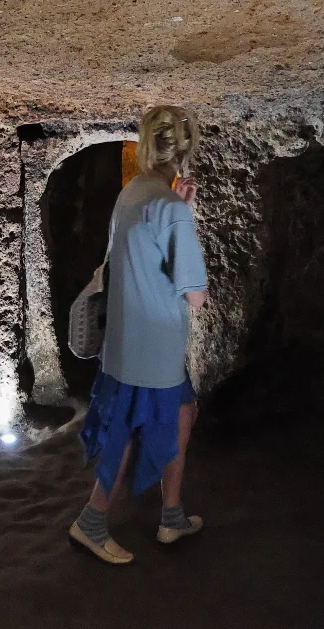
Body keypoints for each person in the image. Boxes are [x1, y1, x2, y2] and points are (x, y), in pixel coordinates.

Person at [68, 106, 208, 565]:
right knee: (128, 433)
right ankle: (91, 520)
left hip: (127, 340)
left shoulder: (133, 192)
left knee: (181, 415)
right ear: (186, 149)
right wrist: (185, 220)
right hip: (156, 346)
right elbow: (195, 296)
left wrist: (178, 212)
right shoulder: (169, 207)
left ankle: (172, 514)